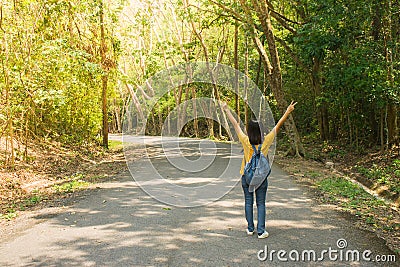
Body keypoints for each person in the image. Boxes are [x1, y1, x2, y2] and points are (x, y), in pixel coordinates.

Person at [221, 101, 297, 239]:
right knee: (261, 203)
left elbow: (236, 125)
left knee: (248, 201)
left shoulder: (245, 140)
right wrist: (288, 111)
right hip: (261, 178)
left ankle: (250, 229)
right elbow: (278, 125)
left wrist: (226, 110)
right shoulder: (266, 141)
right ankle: (261, 231)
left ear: (249, 131)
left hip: (246, 176)